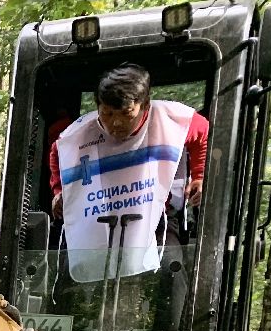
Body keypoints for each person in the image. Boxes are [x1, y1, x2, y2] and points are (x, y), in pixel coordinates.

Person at [50, 64, 208, 283]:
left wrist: (200, 175)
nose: (116, 123)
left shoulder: (169, 119)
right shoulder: (80, 132)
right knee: (72, 270)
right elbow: (59, 151)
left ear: (145, 106)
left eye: (126, 114)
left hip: (155, 215)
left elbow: (204, 135)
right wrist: (59, 190)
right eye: (107, 113)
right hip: (99, 215)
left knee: (172, 267)